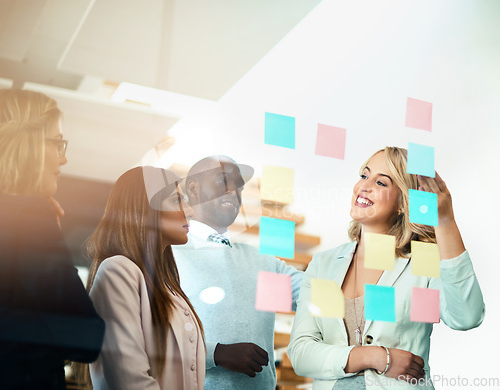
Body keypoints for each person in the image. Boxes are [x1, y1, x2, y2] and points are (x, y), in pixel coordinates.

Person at [288, 146, 485, 390]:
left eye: (381, 183)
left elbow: (466, 317)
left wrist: (445, 221)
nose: (364, 186)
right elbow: (301, 353)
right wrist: (376, 357)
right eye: (364, 175)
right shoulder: (324, 264)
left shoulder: (421, 262)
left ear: (403, 203)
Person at [0, 89, 105, 389]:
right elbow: (86, 339)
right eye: (57, 143)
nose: (64, 157)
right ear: (26, 144)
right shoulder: (29, 218)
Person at [173, 155, 304, 390]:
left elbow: (315, 294)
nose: (234, 192)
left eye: (239, 187)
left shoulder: (262, 261)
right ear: (193, 189)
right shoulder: (169, 255)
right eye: (223, 181)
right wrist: (217, 353)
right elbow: (148, 337)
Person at [87, 166, 205, 390]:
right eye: (175, 200)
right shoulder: (117, 271)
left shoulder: (170, 288)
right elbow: (129, 381)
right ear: (143, 209)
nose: (189, 211)